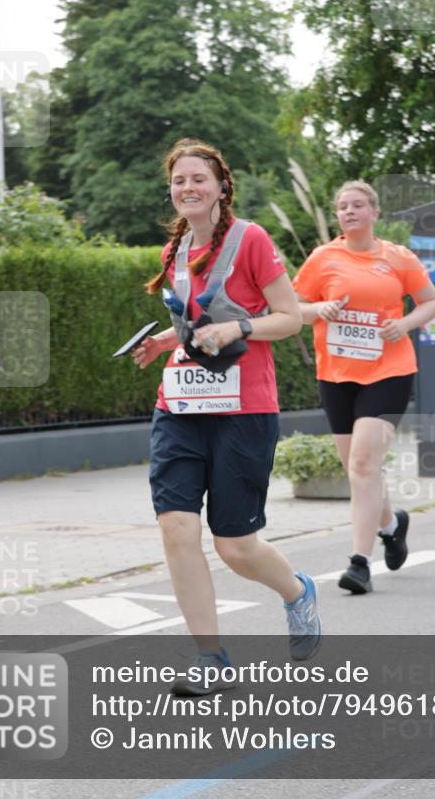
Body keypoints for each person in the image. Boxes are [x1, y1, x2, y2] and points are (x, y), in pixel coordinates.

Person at [131, 138, 322, 695]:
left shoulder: (251, 240)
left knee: (235, 546)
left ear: (220, 186)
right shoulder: (174, 251)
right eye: (179, 181)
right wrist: (168, 341)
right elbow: (197, 325)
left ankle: (296, 591)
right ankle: (210, 658)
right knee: (177, 528)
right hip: (182, 404)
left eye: (198, 179)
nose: (187, 188)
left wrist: (240, 328)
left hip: (245, 407)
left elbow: (289, 318)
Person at [293, 180, 435, 594]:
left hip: (389, 371)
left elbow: (432, 301)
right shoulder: (323, 258)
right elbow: (289, 310)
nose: (349, 211)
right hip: (336, 376)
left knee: (362, 465)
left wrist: (406, 324)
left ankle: (359, 564)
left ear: (374, 212)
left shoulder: (399, 257)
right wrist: (317, 309)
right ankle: (393, 525)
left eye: (358, 205)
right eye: (342, 206)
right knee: (360, 469)